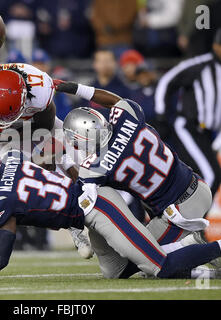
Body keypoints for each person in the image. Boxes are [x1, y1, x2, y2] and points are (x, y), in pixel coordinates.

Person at [0, 150, 221, 280]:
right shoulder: (10, 160)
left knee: (159, 267)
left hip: (99, 207)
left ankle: (214, 248)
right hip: (89, 209)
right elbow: (48, 156)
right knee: (115, 271)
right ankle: (190, 250)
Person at [54, 78, 215, 255]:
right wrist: (76, 88)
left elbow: (79, 194)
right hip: (197, 185)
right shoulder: (127, 117)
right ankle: (195, 248)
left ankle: (193, 244)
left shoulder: (95, 167)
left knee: (137, 259)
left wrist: (63, 159)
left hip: (179, 209)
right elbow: (115, 101)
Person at [0, 61, 93, 257]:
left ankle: (92, 220)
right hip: (5, 134)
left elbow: (44, 130)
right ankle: (66, 225)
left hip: (40, 126)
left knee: (75, 170)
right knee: (15, 184)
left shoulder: (40, 89)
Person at [154, 29, 221, 199]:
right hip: (189, 127)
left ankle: (182, 220)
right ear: (216, 46)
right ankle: (193, 222)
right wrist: (162, 116)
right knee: (211, 176)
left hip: (208, 134)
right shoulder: (200, 65)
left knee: (195, 179)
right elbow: (166, 81)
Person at [88, 49, 130, 119]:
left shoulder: (124, 90)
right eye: (101, 61)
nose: (105, 65)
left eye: (108, 61)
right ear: (94, 64)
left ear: (115, 63)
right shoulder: (89, 89)